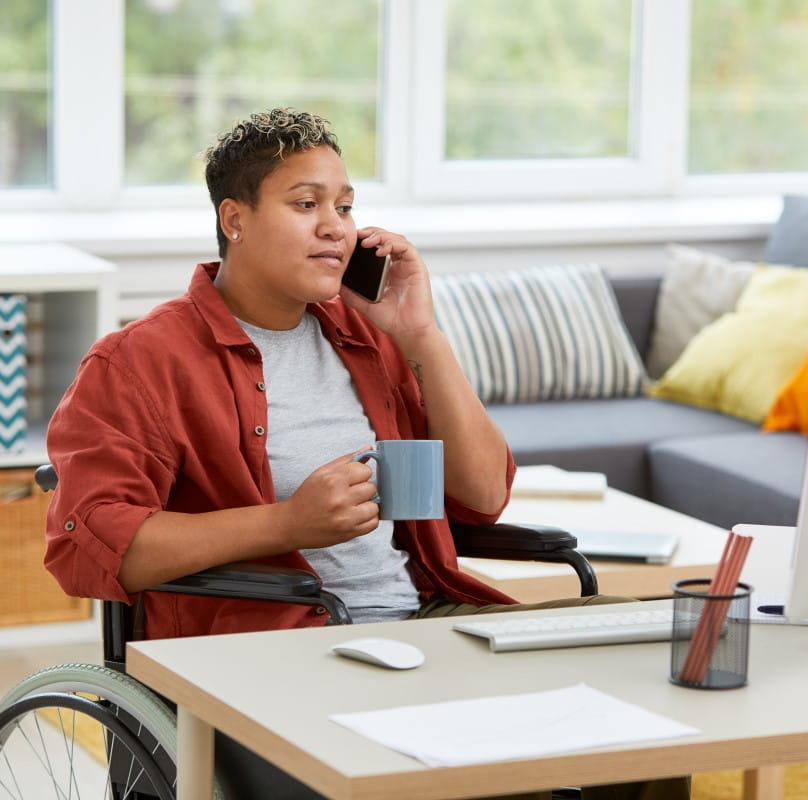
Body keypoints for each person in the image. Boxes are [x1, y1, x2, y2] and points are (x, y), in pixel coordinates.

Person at [44, 108, 688, 800]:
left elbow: (479, 495)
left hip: (421, 622)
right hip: (270, 646)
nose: (335, 226)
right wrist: (285, 526)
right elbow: (89, 547)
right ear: (235, 219)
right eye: (306, 204)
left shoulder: (364, 337)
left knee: (644, 661)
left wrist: (422, 337)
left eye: (345, 207)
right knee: (511, 773)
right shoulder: (139, 360)